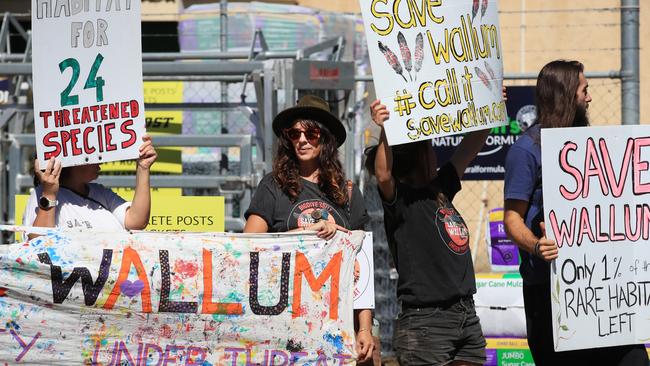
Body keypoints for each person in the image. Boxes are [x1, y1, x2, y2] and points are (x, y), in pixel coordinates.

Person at [503, 60, 648, 365]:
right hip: (551, 291)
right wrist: (536, 246)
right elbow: (512, 219)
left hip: (603, 290)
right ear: (566, 94)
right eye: (585, 90)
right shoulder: (526, 150)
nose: (590, 98)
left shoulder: (592, 145)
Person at [243, 94, 376, 363]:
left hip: (336, 325)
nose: (301, 140)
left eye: (311, 132)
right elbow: (248, 247)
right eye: (294, 133)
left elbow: (362, 263)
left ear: (325, 138)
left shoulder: (348, 193)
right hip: (284, 325)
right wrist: (306, 236)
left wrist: (364, 328)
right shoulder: (273, 186)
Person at [367, 100, 491, 365]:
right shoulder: (402, 200)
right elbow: (383, 174)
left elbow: (471, 146)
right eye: (429, 147)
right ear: (417, 156)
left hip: (465, 315)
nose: (435, 153)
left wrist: (491, 102)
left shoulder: (441, 188)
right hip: (427, 323)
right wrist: (385, 127)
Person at [24, 135, 157, 235]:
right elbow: (37, 244)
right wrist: (49, 194)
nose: (101, 160)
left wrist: (143, 168)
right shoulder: (41, 194)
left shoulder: (101, 193)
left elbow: (136, 222)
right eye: (92, 153)